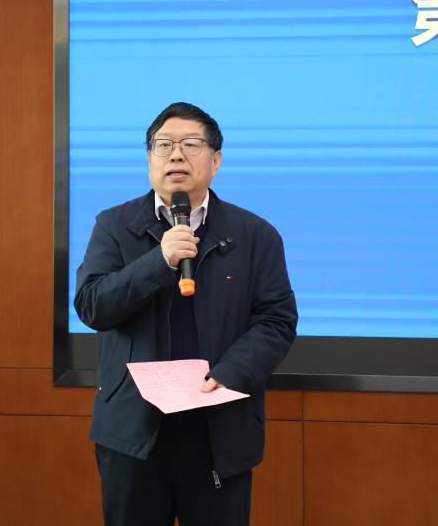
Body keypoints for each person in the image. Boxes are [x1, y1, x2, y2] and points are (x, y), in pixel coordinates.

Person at [74, 102, 298, 526]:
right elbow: (92, 305)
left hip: (218, 426)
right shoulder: (114, 226)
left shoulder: (256, 234)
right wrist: (159, 261)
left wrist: (232, 372)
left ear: (216, 160)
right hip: (135, 431)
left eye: (191, 144)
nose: (176, 155)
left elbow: (276, 321)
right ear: (150, 159)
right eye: (164, 145)